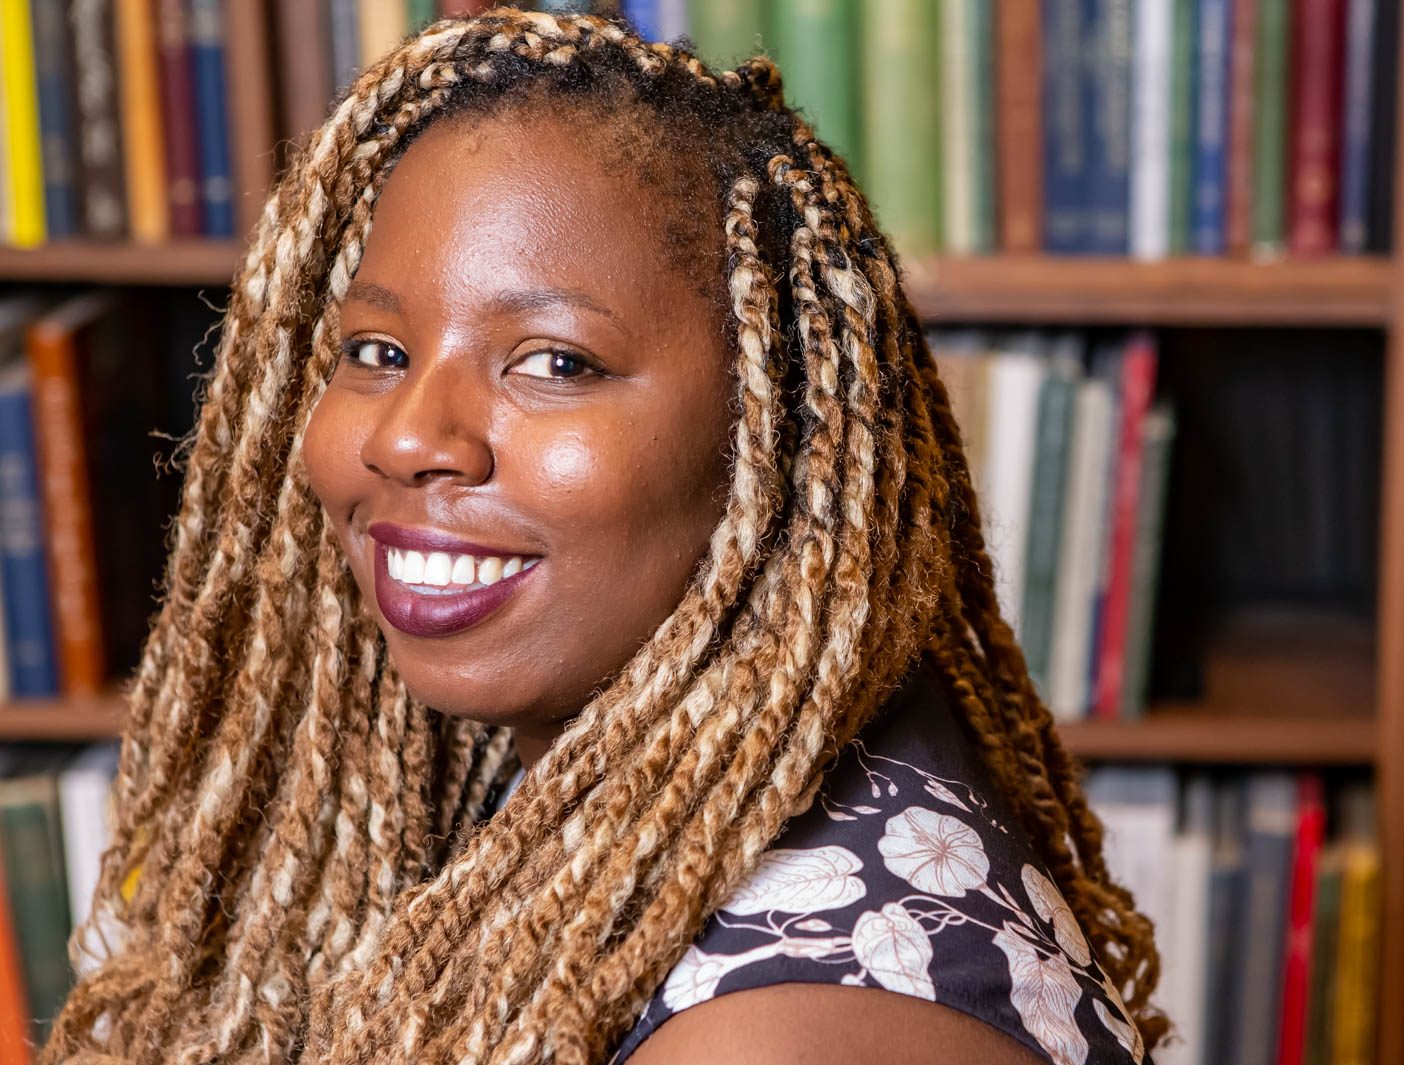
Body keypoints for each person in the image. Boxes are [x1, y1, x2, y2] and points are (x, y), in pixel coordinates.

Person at [45, 9, 1166, 1065]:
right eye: (376, 351)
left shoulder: (788, 1037)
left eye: (554, 361)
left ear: (773, 435)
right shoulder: (608, 749)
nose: (406, 439)